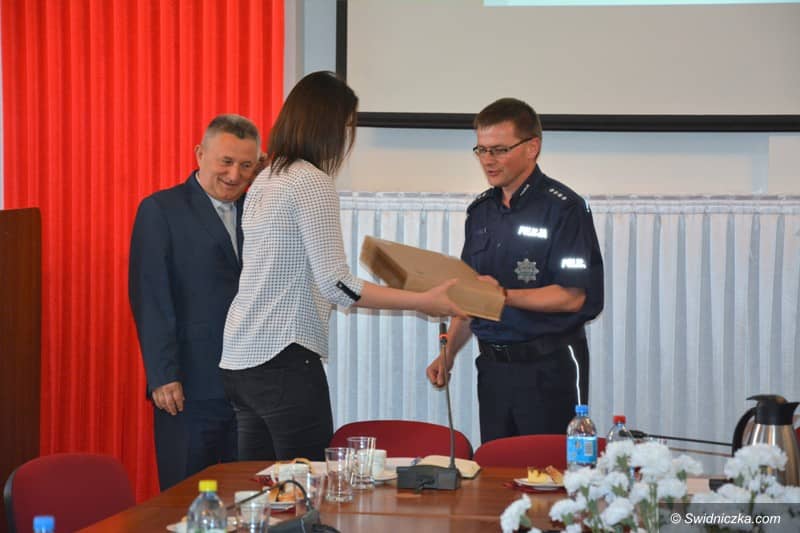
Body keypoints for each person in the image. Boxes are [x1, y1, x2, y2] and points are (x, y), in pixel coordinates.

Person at [220, 71, 465, 462]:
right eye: (348, 126)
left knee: (260, 487)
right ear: (329, 126)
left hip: (240, 360)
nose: (348, 138)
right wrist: (424, 300)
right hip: (282, 358)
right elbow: (337, 285)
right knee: (310, 483)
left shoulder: (266, 179)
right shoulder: (310, 181)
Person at [426, 98, 604, 444]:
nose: (488, 160)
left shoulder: (564, 208)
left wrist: (502, 296)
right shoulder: (480, 212)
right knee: (496, 469)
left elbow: (572, 296)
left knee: (549, 470)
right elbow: (473, 295)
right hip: (493, 369)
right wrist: (447, 355)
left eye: (499, 150)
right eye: (481, 150)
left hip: (548, 368)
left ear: (532, 147)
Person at [129, 114, 262, 490]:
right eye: (226, 161)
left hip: (251, 391)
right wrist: (163, 375)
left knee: (247, 498)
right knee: (184, 501)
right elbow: (151, 297)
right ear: (200, 154)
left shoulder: (260, 212)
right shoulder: (161, 210)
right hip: (187, 389)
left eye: (246, 165)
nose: (235, 175)